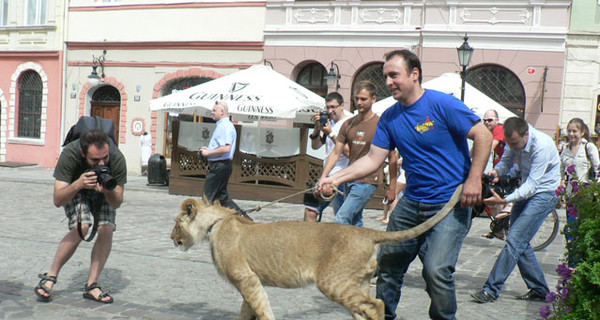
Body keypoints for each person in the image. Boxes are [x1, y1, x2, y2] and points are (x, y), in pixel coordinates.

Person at [319, 49, 492, 320]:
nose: (389, 82)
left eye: (394, 75)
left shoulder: (442, 104)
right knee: (388, 264)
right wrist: (334, 178)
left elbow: (483, 135)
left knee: (436, 271)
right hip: (411, 202)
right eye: (386, 76)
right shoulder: (390, 117)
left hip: (449, 202)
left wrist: (473, 179)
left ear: (414, 74)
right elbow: (373, 159)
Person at [471, 116, 561, 304]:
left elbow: (532, 185)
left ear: (526, 133)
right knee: (520, 242)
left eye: (515, 143)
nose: (513, 146)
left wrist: (504, 200)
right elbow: (505, 163)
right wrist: (496, 172)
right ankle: (539, 290)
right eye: (510, 143)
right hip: (526, 191)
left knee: (514, 240)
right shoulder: (514, 141)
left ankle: (491, 290)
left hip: (543, 194)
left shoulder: (542, 146)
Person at [35, 129, 127, 304]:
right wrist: (78, 184)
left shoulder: (116, 158)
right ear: (83, 153)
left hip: (105, 190)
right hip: (76, 188)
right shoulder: (70, 154)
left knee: (107, 227)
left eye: (104, 158)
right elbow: (58, 199)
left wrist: (108, 191)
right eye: (95, 160)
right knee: (82, 226)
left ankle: (92, 285)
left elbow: (117, 202)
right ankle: (50, 277)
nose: (101, 163)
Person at [320, 80, 397, 227]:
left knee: (341, 218)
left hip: (369, 180)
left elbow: (392, 157)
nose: (359, 102)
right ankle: (361, 250)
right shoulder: (348, 124)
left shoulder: (380, 124)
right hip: (349, 178)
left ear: (373, 99)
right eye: (357, 99)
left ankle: (336, 250)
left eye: (363, 99)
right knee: (355, 222)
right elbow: (336, 153)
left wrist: (392, 187)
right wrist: (324, 177)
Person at [303, 92, 352, 222]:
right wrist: (317, 128)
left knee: (342, 218)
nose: (330, 111)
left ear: (342, 106)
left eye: (333, 107)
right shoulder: (330, 123)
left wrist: (331, 133)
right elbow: (316, 145)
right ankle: (310, 241)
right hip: (327, 177)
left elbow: (349, 152)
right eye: (328, 108)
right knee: (311, 209)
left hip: (342, 178)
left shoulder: (349, 123)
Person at [559, 118, 599, 268]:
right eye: (569, 131)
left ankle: (579, 262)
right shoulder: (565, 149)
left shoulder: (588, 147)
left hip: (585, 195)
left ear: (582, 132)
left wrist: (595, 189)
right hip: (571, 195)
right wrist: (561, 185)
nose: (571, 134)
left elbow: (598, 168)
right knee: (571, 228)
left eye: (574, 131)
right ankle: (574, 261)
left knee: (579, 228)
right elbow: (561, 170)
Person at [199, 101, 241, 213]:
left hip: (220, 165)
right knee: (222, 198)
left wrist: (208, 153)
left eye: (214, 110)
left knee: (207, 199)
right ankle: (244, 219)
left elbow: (226, 148)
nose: (212, 113)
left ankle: (202, 225)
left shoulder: (225, 126)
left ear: (222, 112)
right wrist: (209, 150)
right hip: (221, 165)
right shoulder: (223, 125)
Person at [481, 109, 512, 239]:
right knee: (496, 195)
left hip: (510, 169)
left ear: (497, 120)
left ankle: (502, 225)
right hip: (502, 168)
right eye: (485, 120)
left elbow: (488, 147)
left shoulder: (499, 129)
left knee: (494, 194)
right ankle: (498, 228)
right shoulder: (490, 131)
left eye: (490, 120)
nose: (487, 122)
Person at [377, 152, 406, 224]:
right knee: (399, 196)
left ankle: (390, 217)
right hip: (403, 177)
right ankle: (386, 216)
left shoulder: (404, 155)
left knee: (394, 194)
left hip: (404, 177)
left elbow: (398, 162)